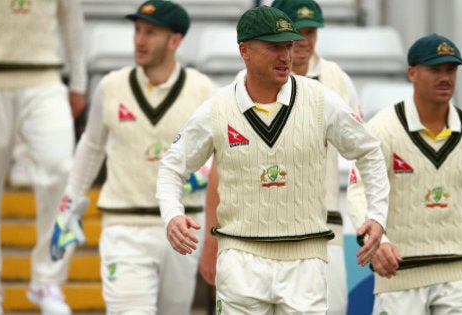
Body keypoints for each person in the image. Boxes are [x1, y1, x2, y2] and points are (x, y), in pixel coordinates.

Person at [157, 5, 390, 314]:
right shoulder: (217, 109)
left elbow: (369, 151)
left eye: (288, 46)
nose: (286, 56)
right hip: (240, 260)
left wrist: (376, 215)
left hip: (305, 262)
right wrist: (172, 214)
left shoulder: (321, 100)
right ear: (245, 51)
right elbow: (172, 167)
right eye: (273, 47)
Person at [48, 0, 215, 313]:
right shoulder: (111, 87)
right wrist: (69, 203)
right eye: (137, 30)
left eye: (151, 32)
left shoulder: (202, 89)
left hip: (184, 227)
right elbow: (91, 147)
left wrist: (204, 171)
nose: (139, 39)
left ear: (175, 40)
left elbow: (223, 149)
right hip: (124, 226)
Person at [346, 33, 462, 315]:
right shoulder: (382, 128)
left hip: (460, 273)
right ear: (412, 73)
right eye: (435, 70)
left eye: (451, 70)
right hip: (399, 274)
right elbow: (359, 192)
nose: (445, 78)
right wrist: (377, 242)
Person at [0, 0, 87, 314]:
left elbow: (71, 17)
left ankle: (48, 281)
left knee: (61, 169)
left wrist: (79, 80)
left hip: (44, 78)